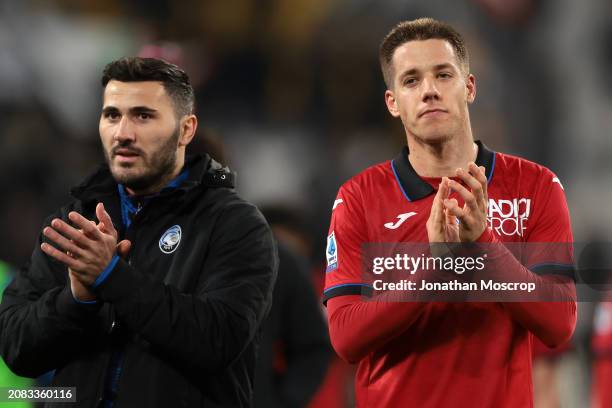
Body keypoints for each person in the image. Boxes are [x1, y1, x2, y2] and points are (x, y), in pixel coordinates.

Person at [322, 18, 577, 407]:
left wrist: (485, 245)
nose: (429, 91)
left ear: (469, 87)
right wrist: (432, 266)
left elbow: (559, 325)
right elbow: (345, 337)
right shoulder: (359, 198)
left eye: (443, 75)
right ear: (393, 102)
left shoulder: (535, 187)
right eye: (410, 80)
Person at [0, 57, 277, 407]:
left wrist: (112, 278)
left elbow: (217, 341)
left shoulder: (235, 224)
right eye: (112, 115)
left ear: (186, 130)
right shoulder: (75, 219)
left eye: (143, 116)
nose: (123, 133)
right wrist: (77, 300)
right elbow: (16, 348)